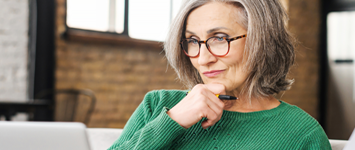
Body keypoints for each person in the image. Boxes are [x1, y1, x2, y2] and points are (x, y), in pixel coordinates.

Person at [108, 0, 331, 149]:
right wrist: (173, 121)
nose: (203, 59)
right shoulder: (158, 106)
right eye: (193, 41)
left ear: (262, 40)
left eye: (219, 38)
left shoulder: (302, 133)